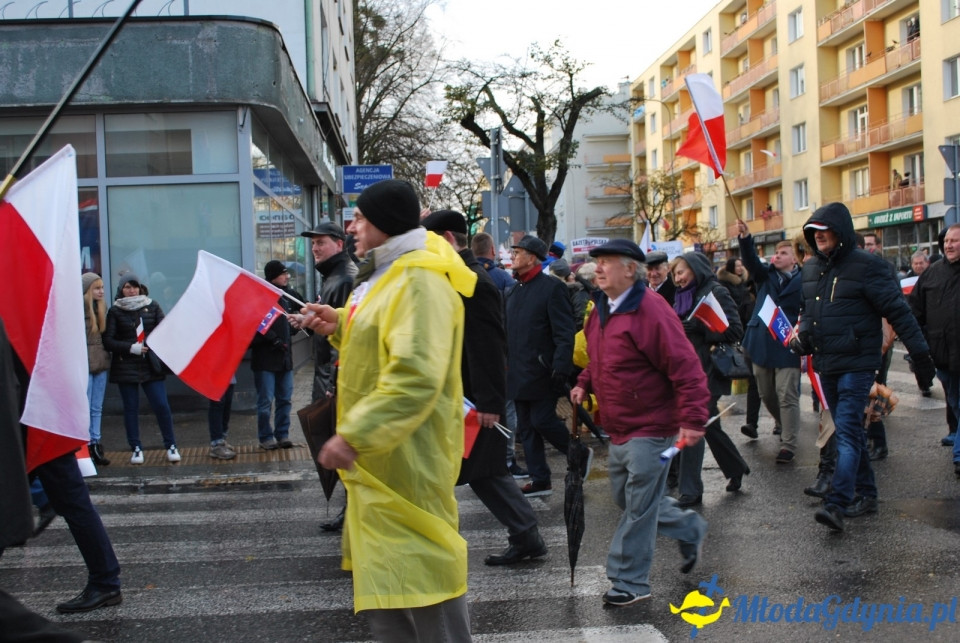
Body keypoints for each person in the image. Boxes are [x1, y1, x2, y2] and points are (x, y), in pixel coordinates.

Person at [302, 179, 473, 640]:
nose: (351, 226)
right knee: (393, 589)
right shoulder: (387, 273)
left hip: (405, 461)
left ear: (382, 223)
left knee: (425, 585)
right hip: (382, 467)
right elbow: (381, 336)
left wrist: (356, 434)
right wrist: (338, 324)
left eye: (358, 217)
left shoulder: (417, 281)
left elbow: (415, 375)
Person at [570, 239, 709, 606]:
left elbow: (686, 367)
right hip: (619, 427)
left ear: (630, 269)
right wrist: (584, 382)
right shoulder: (601, 307)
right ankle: (688, 526)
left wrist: (693, 419)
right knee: (627, 499)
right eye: (596, 262)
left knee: (638, 507)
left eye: (606, 263)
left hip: (653, 427)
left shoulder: (651, 310)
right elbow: (601, 357)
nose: (597, 269)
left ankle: (629, 581)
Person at [793, 202, 935, 531]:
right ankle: (867, 494)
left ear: (840, 230)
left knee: (845, 431)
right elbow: (810, 314)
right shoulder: (812, 269)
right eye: (813, 231)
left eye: (824, 230)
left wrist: (922, 357)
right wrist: (803, 339)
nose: (818, 236)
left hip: (858, 364)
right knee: (852, 432)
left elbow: (899, 312)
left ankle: (838, 502)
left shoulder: (868, 267)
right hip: (827, 362)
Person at [422, 209, 546, 566]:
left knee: (483, 470)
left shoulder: (473, 280)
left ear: (446, 239)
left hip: (474, 398)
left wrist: (490, 402)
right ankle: (526, 535)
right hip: (460, 395)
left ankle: (526, 535)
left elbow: (489, 345)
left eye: (427, 241)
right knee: (481, 471)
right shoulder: (455, 276)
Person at [670, 252, 750, 506]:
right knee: (708, 426)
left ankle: (690, 490)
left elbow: (736, 330)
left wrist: (700, 328)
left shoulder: (716, 292)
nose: (677, 278)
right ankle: (736, 468)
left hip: (710, 371)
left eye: (681, 272)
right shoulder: (682, 297)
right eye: (675, 274)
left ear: (695, 269)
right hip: (688, 372)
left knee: (693, 422)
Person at [505, 234, 576, 497]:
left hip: (543, 370)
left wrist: (561, 366)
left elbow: (564, 331)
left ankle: (577, 453)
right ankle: (539, 479)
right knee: (526, 425)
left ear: (532, 257)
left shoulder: (551, 287)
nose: (512, 257)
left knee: (542, 419)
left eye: (518, 252)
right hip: (517, 371)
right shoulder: (513, 290)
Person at [736, 222, 802, 464]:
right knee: (766, 393)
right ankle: (786, 424)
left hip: (788, 343)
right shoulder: (766, 276)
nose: (777, 255)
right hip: (762, 343)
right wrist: (745, 238)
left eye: (784, 253)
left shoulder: (804, 279)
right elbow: (751, 261)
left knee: (787, 394)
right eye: (776, 252)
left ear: (795, 259)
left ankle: (788, 444)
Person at [103, 273, 179, 464]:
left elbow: (164, 329)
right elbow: (108, 340)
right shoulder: (115, 311)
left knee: (161, 405)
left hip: (150, 365)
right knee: (131, 408)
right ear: (121, 289)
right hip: (126, 366)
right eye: (127, 287)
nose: (132, 290)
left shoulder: (152, 305)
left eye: (134, 286)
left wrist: (153, 343)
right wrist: (130, 347)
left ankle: (171, 445)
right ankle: (136, 447)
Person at [909, 224, 960, 478]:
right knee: (955, 401)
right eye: (947, 241)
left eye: (955, 241)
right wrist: (919, 344)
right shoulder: (932, 274)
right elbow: (915, 311)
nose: (949, 245)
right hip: (941, 353)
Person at [251, 260, 303, 450]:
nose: (287, 276)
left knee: (285, 399)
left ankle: (282, 435)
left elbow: (290, 324)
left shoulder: (287, 296)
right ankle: (265, 437)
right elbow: (256, 325)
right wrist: (273, 339)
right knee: (265, 402)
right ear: (273, 276)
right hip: (265, 361)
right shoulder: (261, 296)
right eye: (283, 273)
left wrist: (295, 329)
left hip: (284, 360)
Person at [82, 273, 111, 466]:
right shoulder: (77, 311)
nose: (101, 291)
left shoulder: (102, 308)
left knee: (96, 407)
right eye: (96, 288)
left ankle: (95, 443)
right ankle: (85, 446)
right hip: (84, 364)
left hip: (100, 363)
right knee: (85, 407)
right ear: (86, 291)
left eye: (101, 287)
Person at [207, 374, 236, 460]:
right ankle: (216, 442)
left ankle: (221, 439)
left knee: (226, 404)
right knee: (217, 404)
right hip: (215, 374)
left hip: (229, 374)